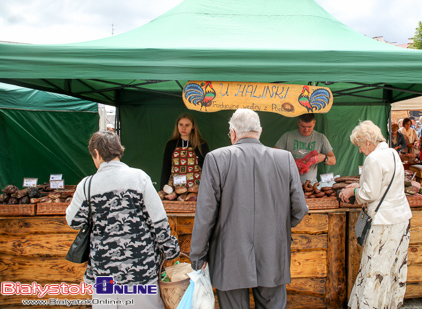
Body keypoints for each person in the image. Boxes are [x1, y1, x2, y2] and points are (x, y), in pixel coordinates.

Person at [190, 109, 309, 309]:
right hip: (273, 251)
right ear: (259, 131)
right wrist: (278, 227)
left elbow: (205, 214)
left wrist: (198, 255)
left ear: (233, 133)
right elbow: (299, 208)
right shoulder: (285, 158)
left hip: (229, 255)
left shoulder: (216, 158)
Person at [66, 131, 181, 308]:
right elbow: (158, 221)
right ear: (119, 150)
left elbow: (73, 221)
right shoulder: (139, 177)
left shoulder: (87, 185)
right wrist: (170, 248)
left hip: (104, 272)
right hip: (141, 270)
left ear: (96, 154)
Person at [339, 120, 412, 309]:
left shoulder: (373, 159)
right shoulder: (393, 153)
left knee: (374, 269)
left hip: (382, 222)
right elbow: (384, 185)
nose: (360, 151)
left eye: (360, 146)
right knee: (392, 267)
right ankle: (388, 304)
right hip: (401, 218)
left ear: (368, 142)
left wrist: (353, 192)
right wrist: (359, 186)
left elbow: (368, 195)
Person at [274, 113, 336, 182]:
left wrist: (324, 158)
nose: (306, 130)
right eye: (302, 126)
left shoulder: (321, 138)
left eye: (309, 127)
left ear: (314, 123)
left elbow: (333, 161)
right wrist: (290, 163)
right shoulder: (287, 136)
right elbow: (274, 157)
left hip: (311, 184)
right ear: (298, 122)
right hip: (289, 182)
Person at [160, 113, 209, 188]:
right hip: (174, 189)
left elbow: (207, 169)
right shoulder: (171, 144)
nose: (183, 128)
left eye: (187, 125)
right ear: (177, 126)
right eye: (181, 125)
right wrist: (162, 189)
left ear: (193, 126)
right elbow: (166, 169)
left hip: (195, 189)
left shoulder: (201, 144)